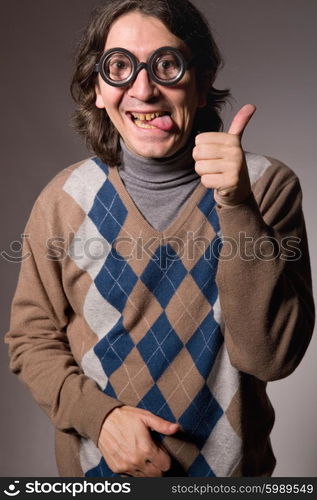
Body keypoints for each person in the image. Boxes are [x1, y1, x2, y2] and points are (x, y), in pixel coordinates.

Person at [5, 0, 314, 478]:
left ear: (204, 78)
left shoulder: (266, 187)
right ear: (97, 90)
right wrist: (100, 417)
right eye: (120, 68)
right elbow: (31, 338)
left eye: (166, 65)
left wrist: (236, 205)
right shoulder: (65, 199)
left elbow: (269, 356)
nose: (144, 90)